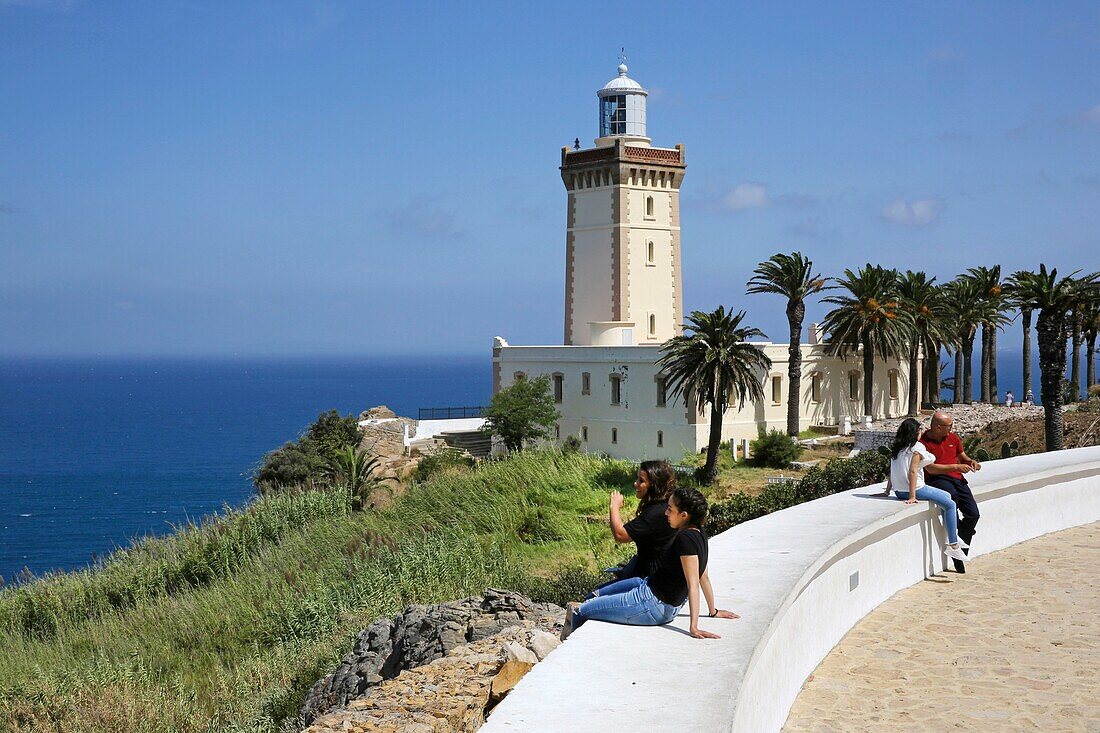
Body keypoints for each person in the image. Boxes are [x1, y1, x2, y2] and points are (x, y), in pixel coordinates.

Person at [561, 487, 738, 640]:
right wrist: (713, 611)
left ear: (683, 515)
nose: (666, 513)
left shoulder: (686, 540)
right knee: (592, 596)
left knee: (582, 610)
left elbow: (694, 583)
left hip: (651, 605)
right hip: (648, 587)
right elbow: (704, 575)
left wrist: (694, 627)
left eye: (670, 509)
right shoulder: (700, 532)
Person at [878, 418, 968, 565]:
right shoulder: (917, 447)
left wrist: (887, 491)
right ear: (915, 433)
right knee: (951, 504)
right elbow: (912, 471)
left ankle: (952, 535)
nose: (921, 433)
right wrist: (913, 496)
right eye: (919, 430)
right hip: (914, 489)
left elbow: (893, 471)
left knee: (946, 496)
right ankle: (953, 544)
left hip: (899, 491)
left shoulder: (898, 448)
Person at [920, 411, 981, 572]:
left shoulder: (953, 438)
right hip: (937, 479)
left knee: (973, 514)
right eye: (949, 426)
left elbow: (962, 456)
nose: (952, 429)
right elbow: (930, 469)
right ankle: (957, 552)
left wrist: (970, 462)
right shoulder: (924, 443)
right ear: (938, 427)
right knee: (951, 498)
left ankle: (959, 550)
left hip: (958, 479)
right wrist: (955, 467)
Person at [601, 460, 677, 585]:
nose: (635, 484)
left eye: (641, 481)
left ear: (654, 485)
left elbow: (620, 534)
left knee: (593, 597)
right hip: (651, 572)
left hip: (649, 581)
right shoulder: (664, 505)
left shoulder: (656, 513)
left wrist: (614, 506)